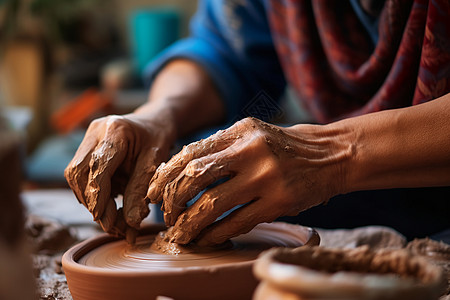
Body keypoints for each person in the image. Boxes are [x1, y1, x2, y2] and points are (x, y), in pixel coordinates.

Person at [65, 0, 450, 245]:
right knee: (194, 190)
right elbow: (225, 52)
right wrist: (160, 114)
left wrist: (329, 154)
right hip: (365, 180)